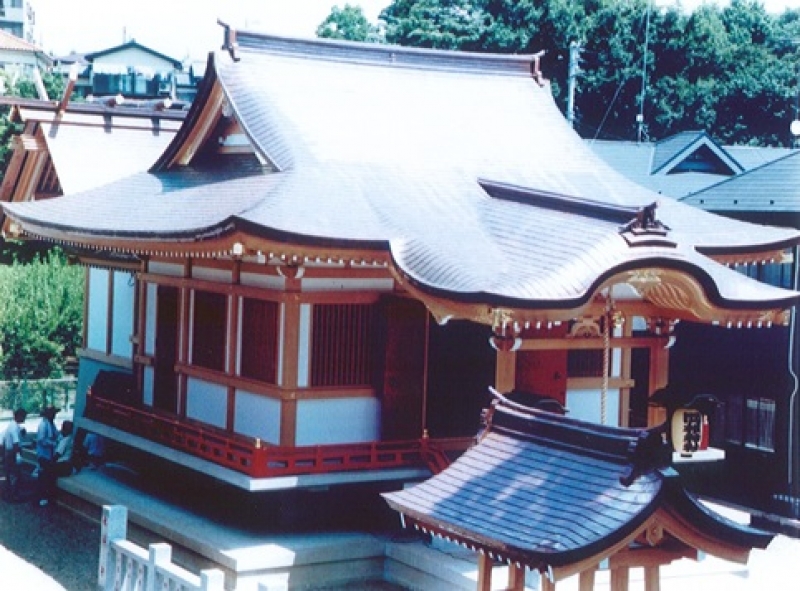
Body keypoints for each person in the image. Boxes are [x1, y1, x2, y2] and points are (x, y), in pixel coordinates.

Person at [35, 406, 60, 507]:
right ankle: (42, 496)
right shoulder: (43, 425)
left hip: (49, 455)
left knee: (48, 476)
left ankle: (46, 496)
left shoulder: (51, 424)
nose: (54, 415)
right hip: (43, 454)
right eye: (52, 413)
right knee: (43, 476)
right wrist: (53, 443)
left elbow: (57, 434)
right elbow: (41, 440)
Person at [2, 408, 28, 502]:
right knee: (14, 474)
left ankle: (11, 494)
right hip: (12, 453)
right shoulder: (13, 428)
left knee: (11, 474)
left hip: (9, 451)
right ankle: (13, 495)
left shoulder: (14, 425)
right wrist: (18, 455)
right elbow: (16, 443)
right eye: (24, 417)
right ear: (19, 416)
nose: (25, 418)